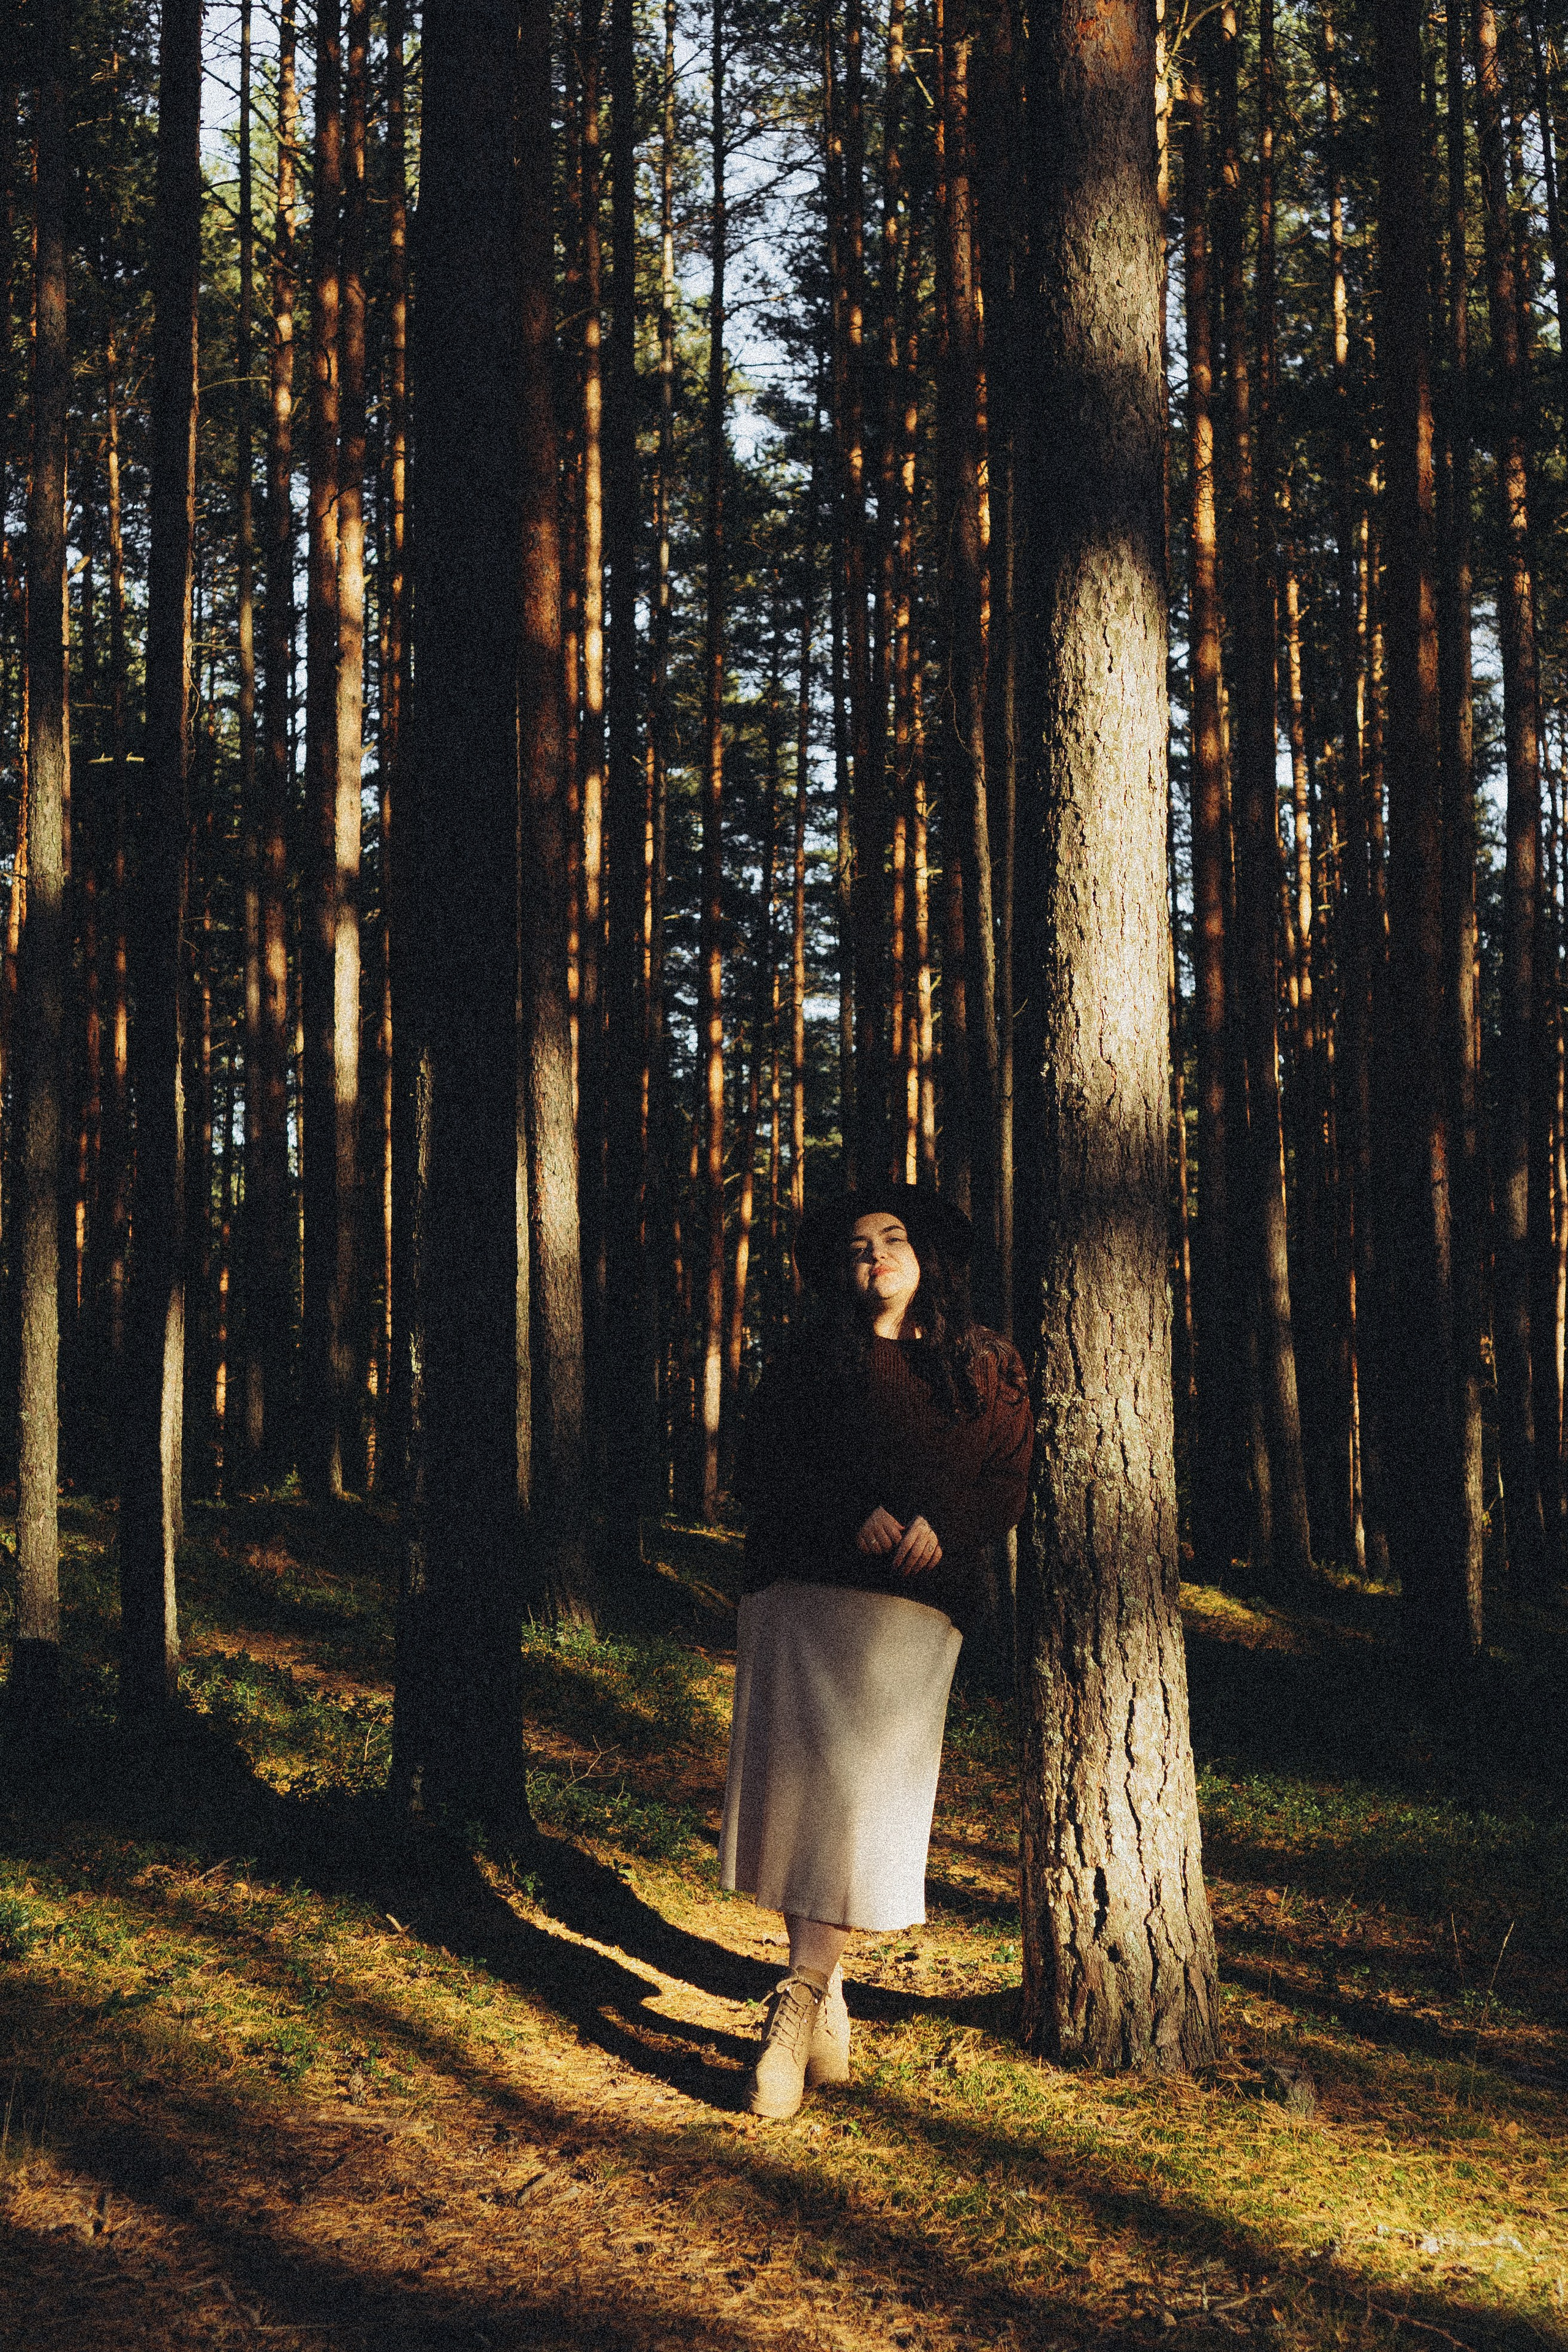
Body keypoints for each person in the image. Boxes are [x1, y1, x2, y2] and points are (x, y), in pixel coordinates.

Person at [720, 1182, 1033, 2120]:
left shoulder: (988, 1368)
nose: (876, 1256)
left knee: (859, 1802)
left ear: (925, 1257)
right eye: (857, 1246)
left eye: (892, 1239)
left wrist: (950, 1527)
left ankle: (799, 1999)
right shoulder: (813, 1360)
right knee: (807, 1794)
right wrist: (845, 1512)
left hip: (913, 1610)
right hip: (804, 1591)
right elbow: (763, 1462)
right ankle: (819, 1997)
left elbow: (1007, 1478)